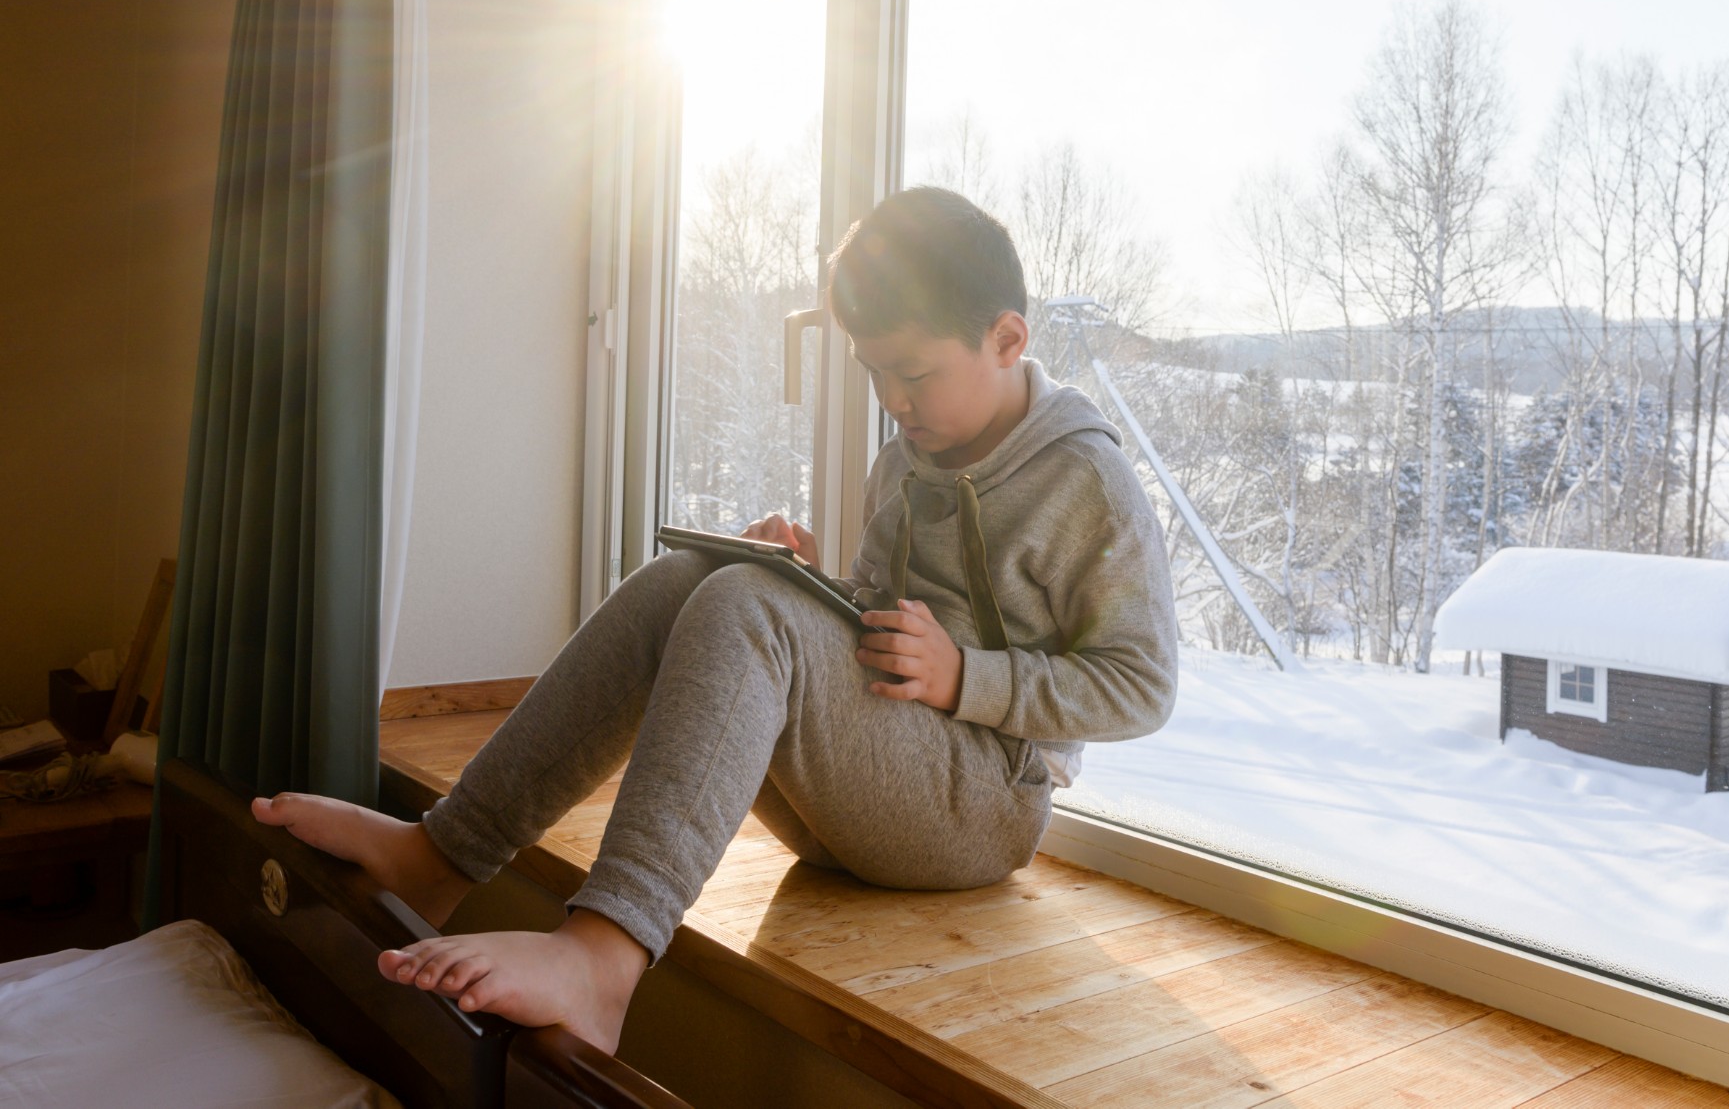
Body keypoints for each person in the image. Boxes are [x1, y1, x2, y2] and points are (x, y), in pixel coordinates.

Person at [249, 187, 1179, 1054]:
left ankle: (604, 959)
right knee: (698, 576)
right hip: (881, 788)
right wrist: (817, 590)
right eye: (872, 371)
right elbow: (891, 620)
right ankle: (440, 855)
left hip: (983, 807)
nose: (892, 401)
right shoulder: (910, 452)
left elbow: (1144, 686)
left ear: (1008, 338)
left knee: (743, 606)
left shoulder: (1086, 479)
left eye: (913, 372)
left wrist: (966, 676)